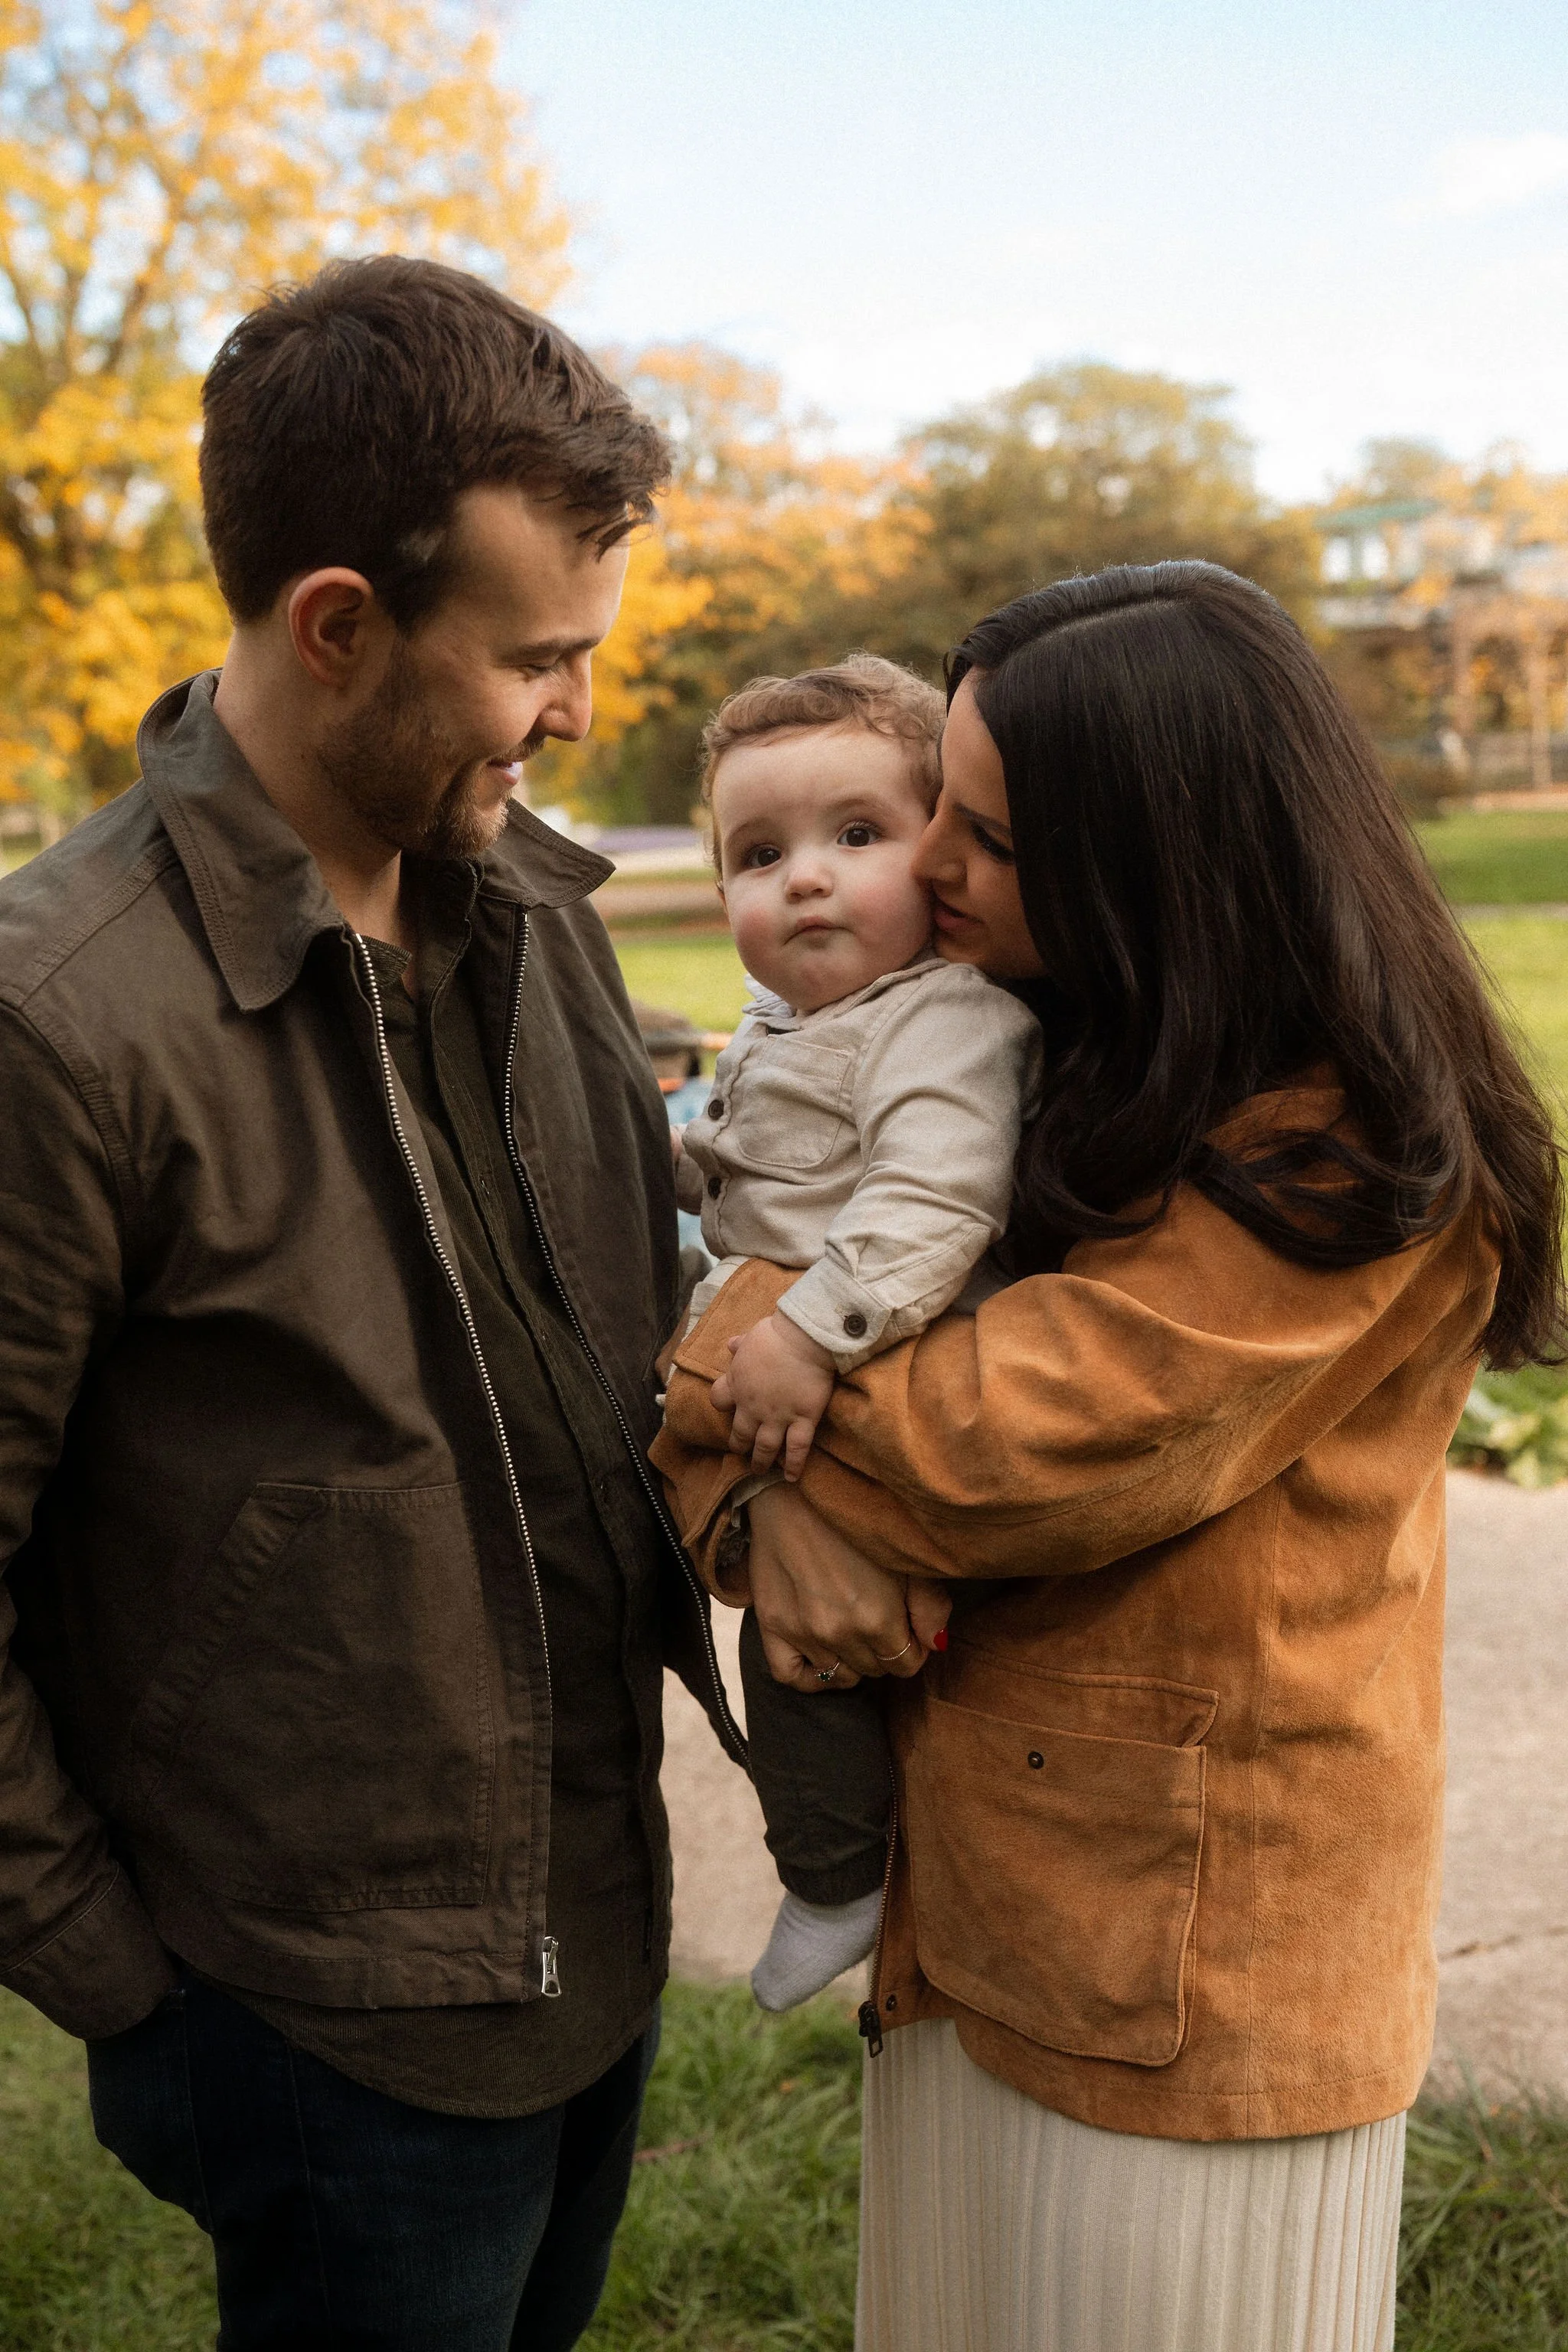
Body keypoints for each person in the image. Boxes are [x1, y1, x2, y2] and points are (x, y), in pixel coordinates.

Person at [654, 561, 1564, 2352]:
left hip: (1194, 1987)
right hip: (983, 1915)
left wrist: (716, 1330)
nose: (924, 872)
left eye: (974, 836)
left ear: (1153, 854)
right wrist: (758, 1497)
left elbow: (979, 1447)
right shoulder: (1058, 1049)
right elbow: (758, 1425)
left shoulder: (1346, 1163)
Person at [0, 254, 746, 2352]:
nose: (582, 711)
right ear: (338, 624)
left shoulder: (539, 914)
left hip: (586, 1929)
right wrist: (125, 1983)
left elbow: (630, 1342)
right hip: (308, 2024)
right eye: (537, 659)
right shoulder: (57, 1025)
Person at [671, 657, 1040, 2009]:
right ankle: (841, 1867)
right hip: (795, 1368)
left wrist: (812, 1333)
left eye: (857, 836)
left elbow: (939, 1189)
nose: (805, 878)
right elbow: (736, 1166)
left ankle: (833, 1875)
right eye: (758, 855)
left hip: (877, 1362)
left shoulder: (942, 1015)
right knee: (798, 1629)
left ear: (938, 860)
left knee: (812, 1649)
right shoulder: (793, 1021)